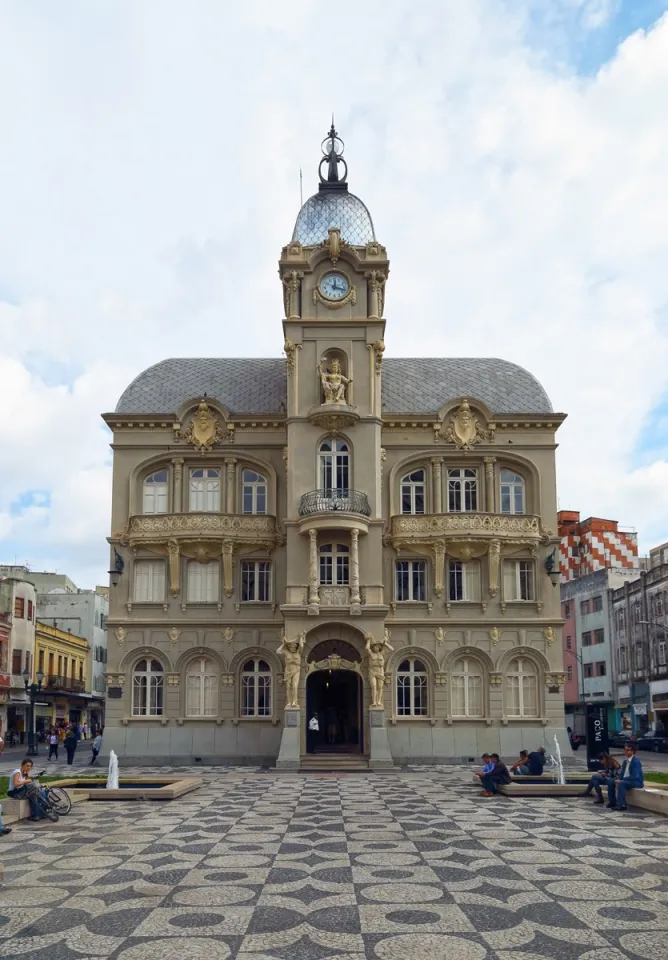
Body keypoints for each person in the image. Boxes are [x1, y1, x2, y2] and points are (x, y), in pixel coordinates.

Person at [607, 743, 644, 811]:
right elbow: (622, 774)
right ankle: (612, 802)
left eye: (628, 750)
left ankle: (622, 805)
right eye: (625, 750)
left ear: (633, 751)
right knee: (610, 781)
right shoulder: (625, 761)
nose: (626, 751)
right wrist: (618, 779)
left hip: (636, 782)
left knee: (621, 784)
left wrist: (622, 780)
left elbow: (634, 776)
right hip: (627, 780)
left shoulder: (636, 762)